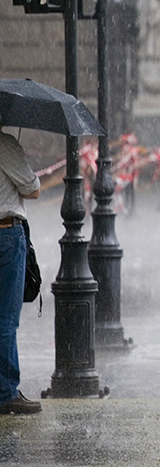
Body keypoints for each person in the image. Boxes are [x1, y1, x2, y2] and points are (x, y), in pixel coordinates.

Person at [0, 127, 41, 414]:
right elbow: (33, 189)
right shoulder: (5, 145)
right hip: (6, 236)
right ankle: (6, 393)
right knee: (5, 318)